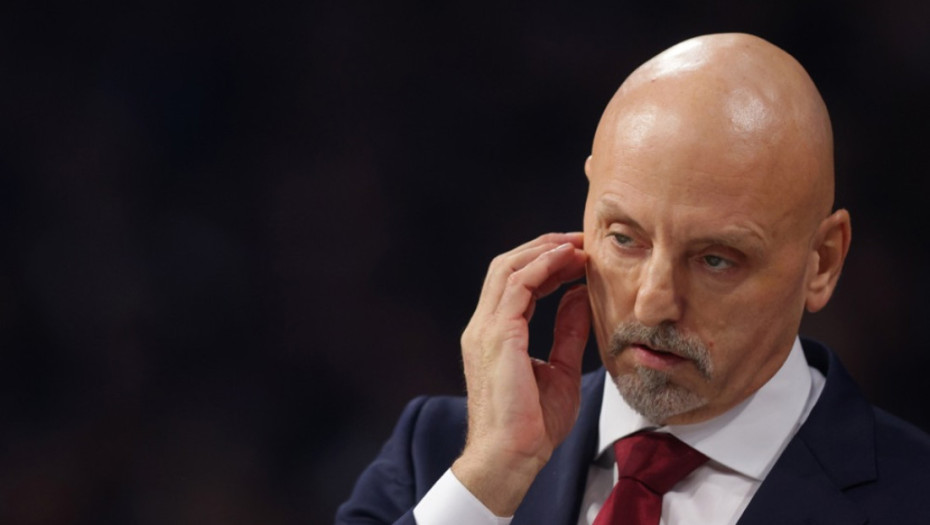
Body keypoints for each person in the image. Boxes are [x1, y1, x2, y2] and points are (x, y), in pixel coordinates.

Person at [335, 33, 930, 524]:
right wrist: (491, 480)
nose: (652, 303)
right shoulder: (437, 459)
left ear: (822, 261)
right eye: (624, 238)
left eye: (715, 259)